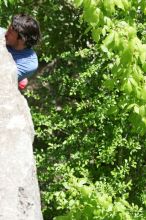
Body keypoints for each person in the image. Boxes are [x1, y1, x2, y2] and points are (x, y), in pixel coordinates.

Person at [5, 14, 41, 90]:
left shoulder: (28, 62)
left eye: (10, 33)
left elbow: (4, 77)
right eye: (8, 29)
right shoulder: (3, 34)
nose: (5, 34)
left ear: (22, 40)